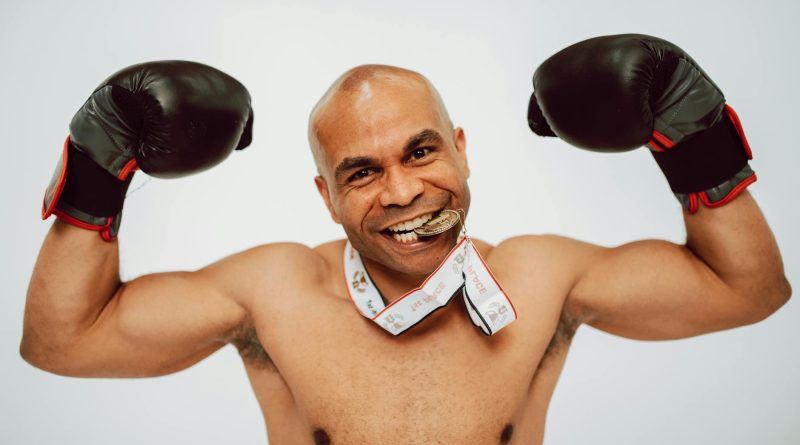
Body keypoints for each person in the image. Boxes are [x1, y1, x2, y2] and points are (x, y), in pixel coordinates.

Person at [21, 35, 791, 445]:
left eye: (421, 152)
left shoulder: (540, 276)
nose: (399, 192)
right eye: (360, 172)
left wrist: (694, 142)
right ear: (325, 197)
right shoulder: (274, 292)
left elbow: (748, 289)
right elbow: (62, 342)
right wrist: (97, 171)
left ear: (462, 149)